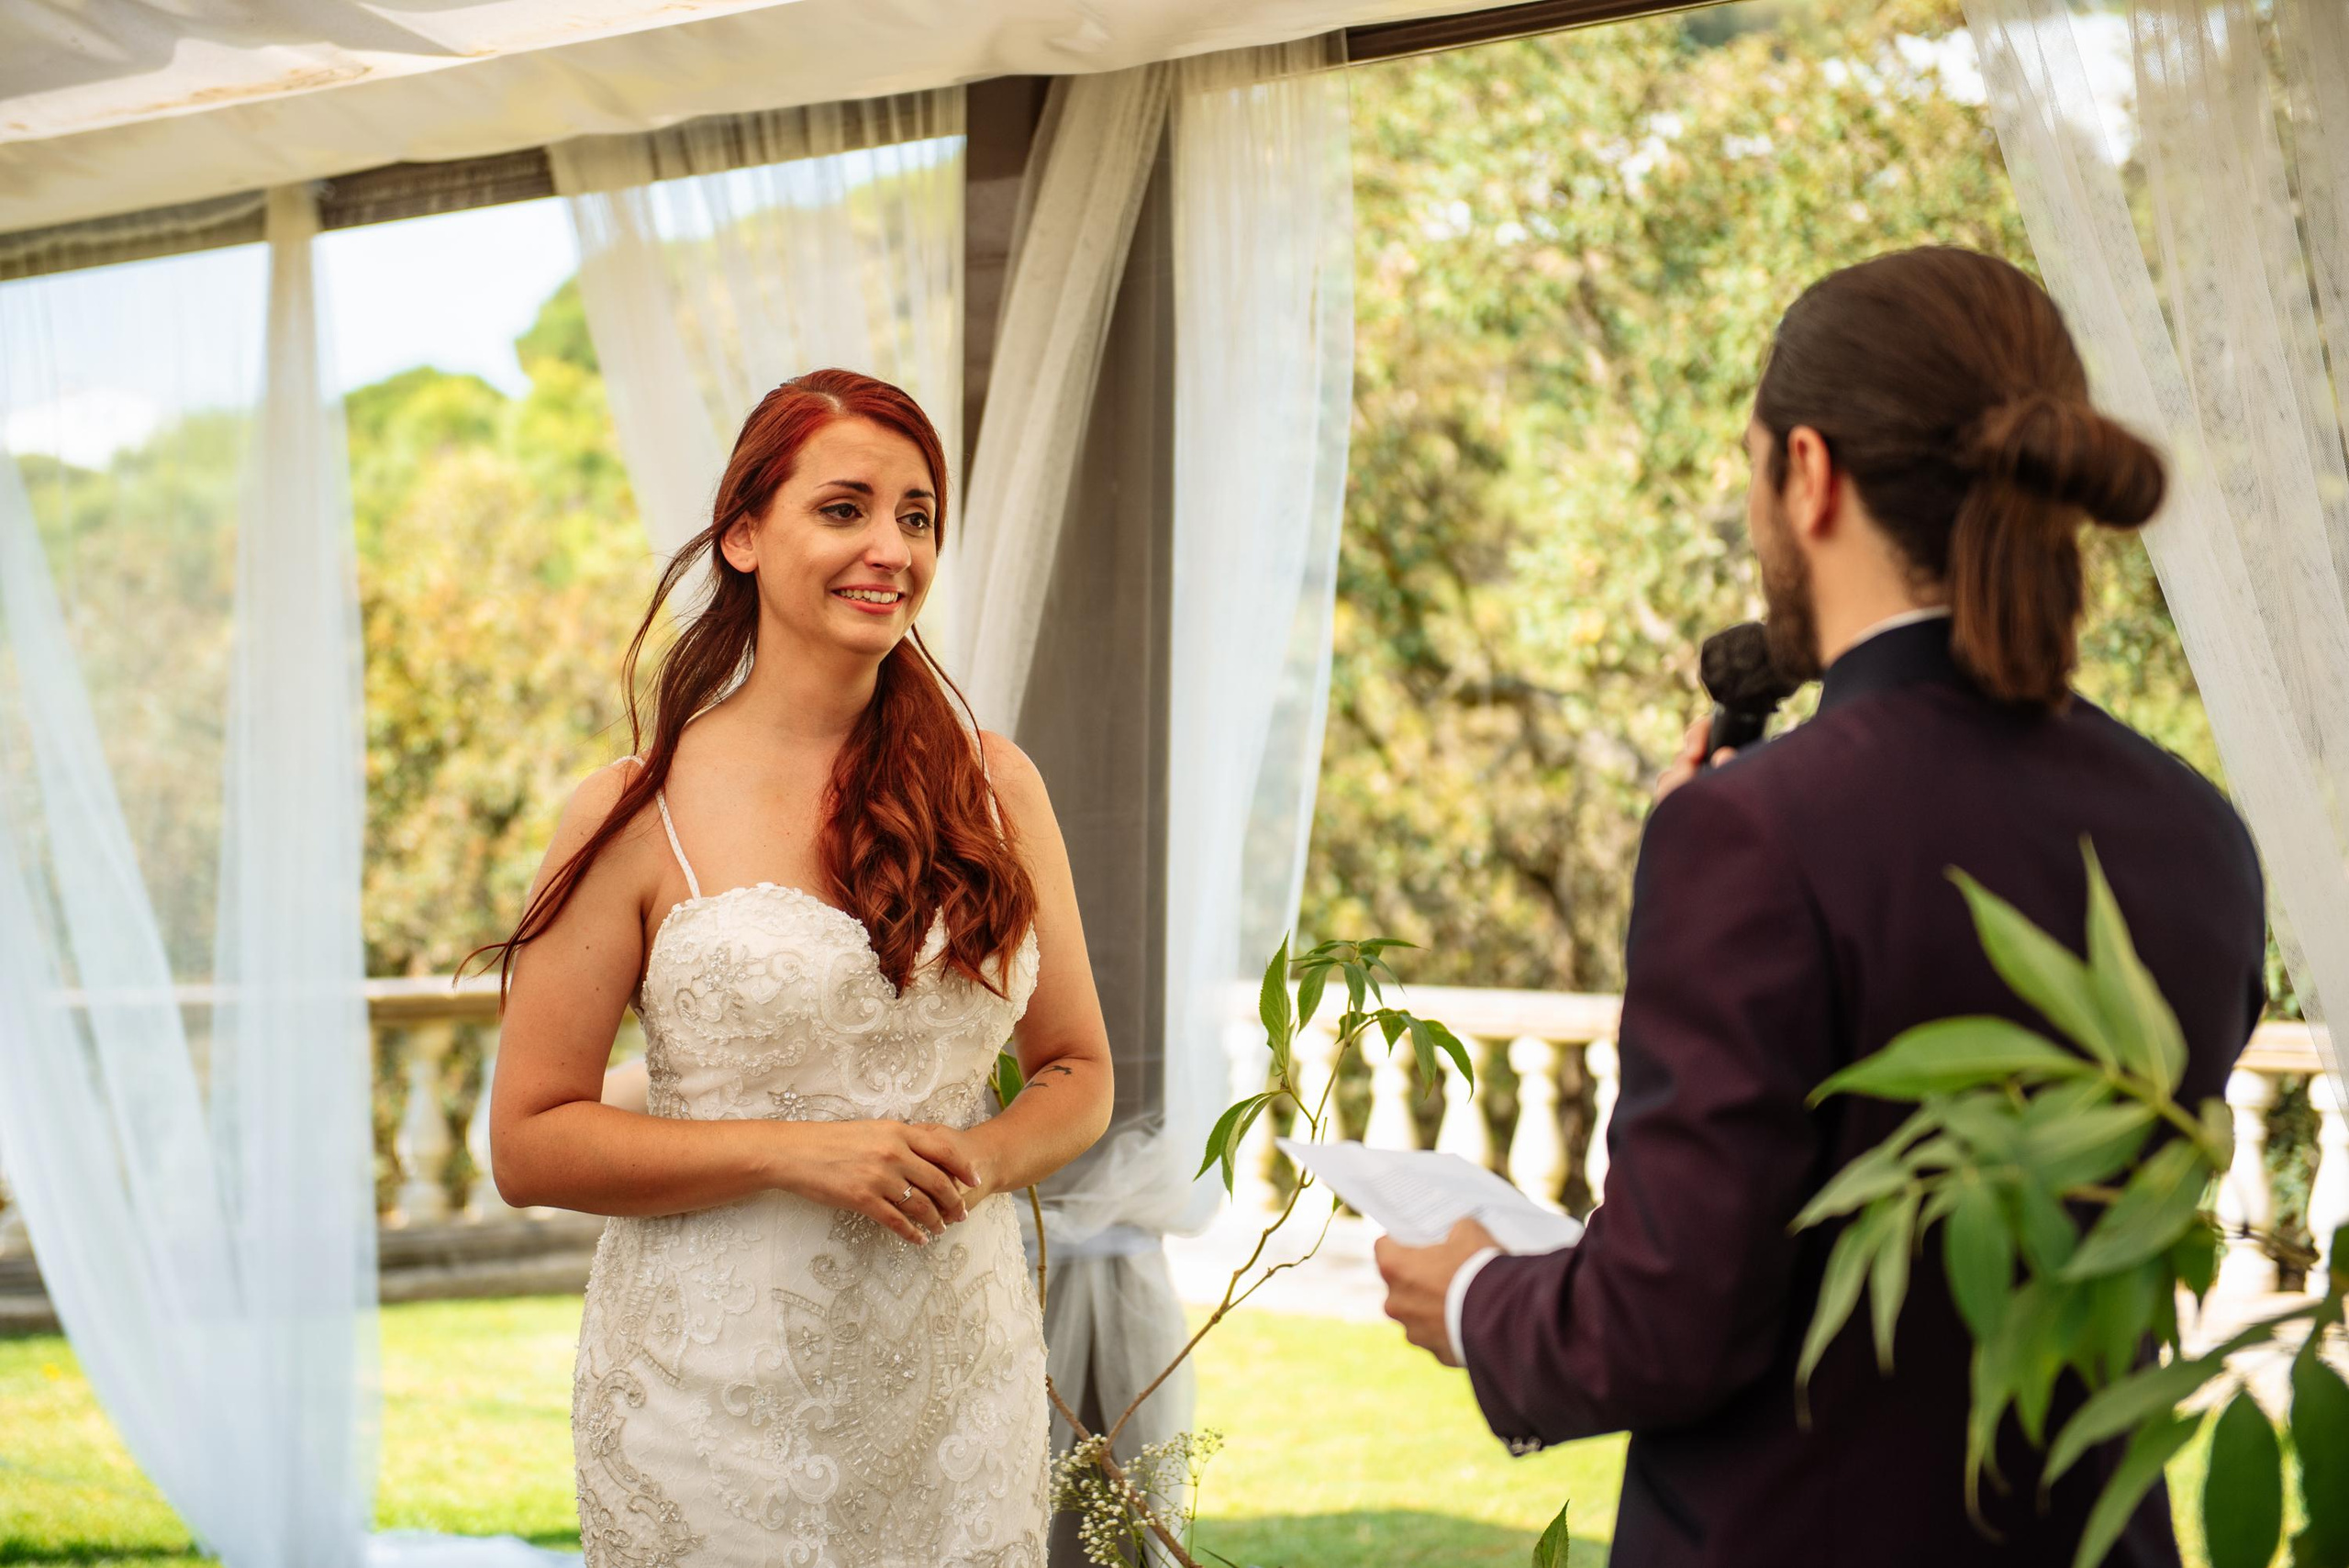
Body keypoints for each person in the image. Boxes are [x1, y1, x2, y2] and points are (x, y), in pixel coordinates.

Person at [1374, 248, 2266, 1567]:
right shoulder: (2198, 831)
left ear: (1808, 471)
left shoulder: (1751, 835)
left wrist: (1476, 1295)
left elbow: (1666, 1322)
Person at [484, 369, 1112, 1568]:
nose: (891, 546)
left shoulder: (996, 785)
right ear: (743, 534)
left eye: (918, 515)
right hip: (710, 1406)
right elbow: (531, 1138)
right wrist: (800, 1149)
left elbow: (1078, 1068)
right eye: (846, 508)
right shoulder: (631, 813)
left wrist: (971, 1162)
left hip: (954, 1382)